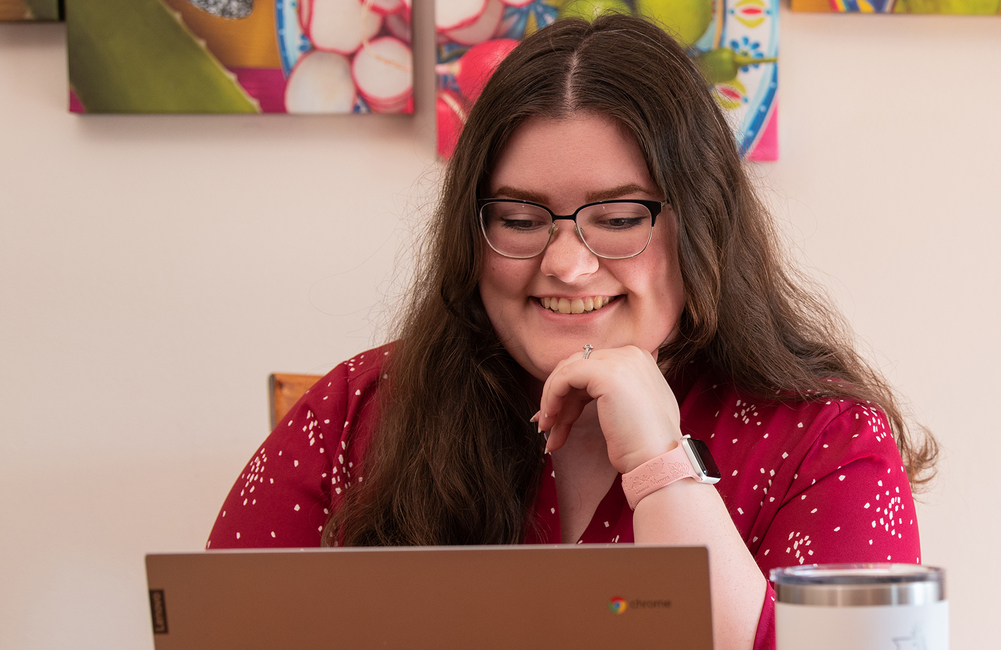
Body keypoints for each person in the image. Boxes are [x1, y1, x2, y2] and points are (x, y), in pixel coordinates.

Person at [207, 15, 937, 650]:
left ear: (702, 226)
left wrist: (661, 464)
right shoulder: (352, 412)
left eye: (619, 220)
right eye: (520, 221)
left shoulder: (826, 443)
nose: (567, 263)